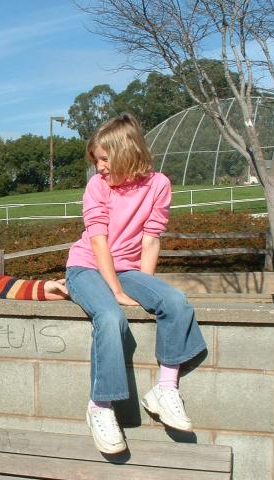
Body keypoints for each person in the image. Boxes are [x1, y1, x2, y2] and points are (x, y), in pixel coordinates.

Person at [65, 113, 207, 454]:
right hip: (87, 267)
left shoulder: (159, 184)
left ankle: (166, 388)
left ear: (126, 151)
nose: (98, 167)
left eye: (103, 158)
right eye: (95, 160)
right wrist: (116, 292)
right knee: (111, 317)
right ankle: (100, 407)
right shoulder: (97, 187)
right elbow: (98, 242)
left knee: (174, 301)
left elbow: (151, 240)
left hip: (128, 268)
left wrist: (145, 287)